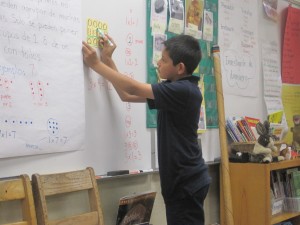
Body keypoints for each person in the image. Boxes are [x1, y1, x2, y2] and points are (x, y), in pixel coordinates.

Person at [82, 34, 211, 225]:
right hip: (182, 181)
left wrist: (96, 65)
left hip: (186, 183)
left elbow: (133, 88)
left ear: (180, 67)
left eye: (164, 59)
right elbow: (126, 94)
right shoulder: (174, 88)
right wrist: (108, 60)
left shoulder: (184, 91)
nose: (158, 63)